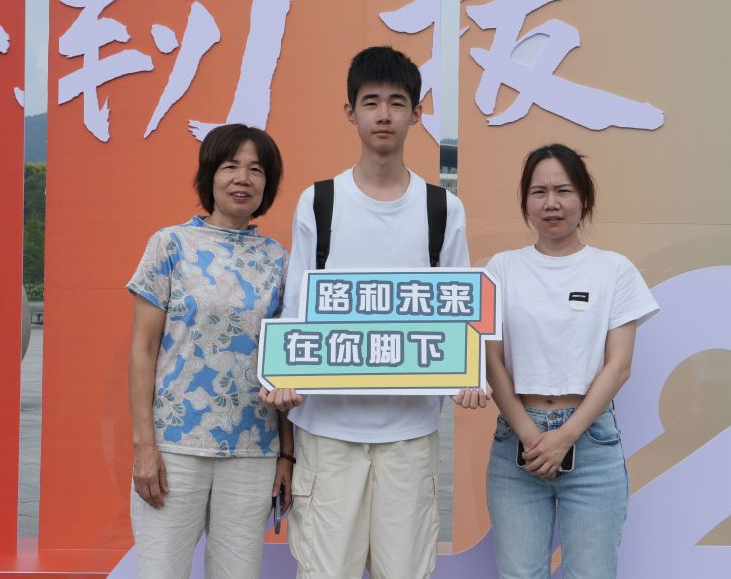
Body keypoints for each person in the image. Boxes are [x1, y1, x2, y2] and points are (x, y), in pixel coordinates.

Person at [261, 46, 485, 579]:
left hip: (410, 432)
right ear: (351, 112)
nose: (384, 114)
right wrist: (283, 376)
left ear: (417, 113)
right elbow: (297, 308)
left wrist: (469, 374)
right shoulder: (320, 202)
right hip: (327, 431)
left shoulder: (442, 208)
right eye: (371, 102)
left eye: (397, 103)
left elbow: (459, 310)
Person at [484, 144, 659, 579]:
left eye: (563, 190)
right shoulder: (501, 269)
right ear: (525, 201)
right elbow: (492, 361)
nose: (551, 203)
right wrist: (530, 434)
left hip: (592, 441)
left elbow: (619, 365)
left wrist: (565, 436)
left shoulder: (613, 270)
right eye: (538, 192)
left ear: (584, 198)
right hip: (517, 442)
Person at [126, 124, 293, 579]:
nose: (243, 179)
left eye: (256, 170)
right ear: (209, 176)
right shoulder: (170, 245)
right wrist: (145, 446)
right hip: (175, 447)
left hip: (253, 451)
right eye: (230, 166)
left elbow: (282, 365)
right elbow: (143, 350)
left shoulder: (279, 259)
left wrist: (286, 454)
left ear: (268, 184)